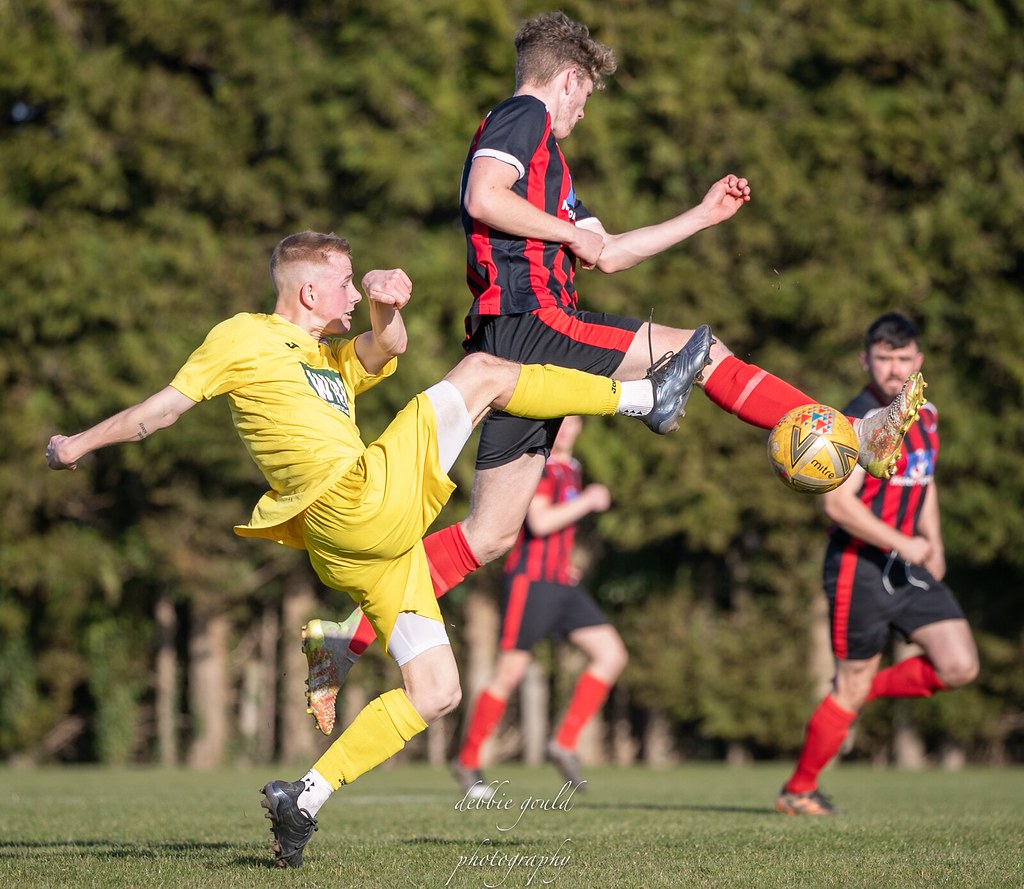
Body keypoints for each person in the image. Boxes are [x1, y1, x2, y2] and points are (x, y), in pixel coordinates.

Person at [299, 11, 928, 736]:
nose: (583, 110)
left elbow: (609, 252)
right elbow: (482, 197)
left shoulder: (551, 165)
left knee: (491, 533)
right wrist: (566, 234)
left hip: (518, 342)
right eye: (585, 96)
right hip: (536, 321)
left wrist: (700, 216)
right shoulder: (521, 117)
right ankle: (854, 427)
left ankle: (341, 639)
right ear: (568, 80)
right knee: (698, 348)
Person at [46, 230, 706, 868]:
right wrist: (77, 444)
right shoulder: (242, 335)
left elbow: (386, 345)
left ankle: (305, 796)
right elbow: (159, 411)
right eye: (343, 284)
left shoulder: (326, 358)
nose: (351, 297)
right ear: (307, 291)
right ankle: (644, 396)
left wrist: (389, 304)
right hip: (353, 502)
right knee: (482, 372)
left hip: (356, 548)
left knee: (437, 690)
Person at [775, 313, 979, 816]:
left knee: (959, 665)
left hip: (907, 564)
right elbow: (838, 506)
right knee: (852, 682)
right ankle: (797, 791)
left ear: (919, 362)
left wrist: (933, 540)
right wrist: (903, 543)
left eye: (903, 359)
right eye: (883, 359)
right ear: (865, 360)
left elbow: (923, 480)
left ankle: (856, 692)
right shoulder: (852, 424)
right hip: (858, 567)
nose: (893, 369)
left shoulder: (924, 413)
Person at [451, 415, 624, 797]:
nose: (565, 426)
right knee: (509, 673)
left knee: (611, 654)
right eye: (559, 419)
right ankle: (467, 761)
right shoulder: (542, 466)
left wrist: (567, 563)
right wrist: (590, 502)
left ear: (579, 425)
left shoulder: (571, 469)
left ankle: (563, 743)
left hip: (561, 585)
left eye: (572, 419)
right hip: (531, 584)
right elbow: (541, 521)